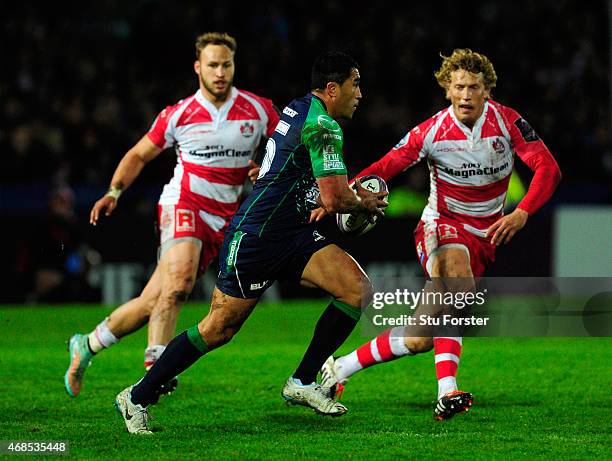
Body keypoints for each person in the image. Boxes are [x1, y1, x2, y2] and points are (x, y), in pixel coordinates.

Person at [114, 51, 388, 434]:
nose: (360, 93)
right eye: (355, 83)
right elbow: (336, 200)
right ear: (332, 88)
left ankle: (303, 381)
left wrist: (286, 179)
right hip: (256, 238)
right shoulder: (324, 127)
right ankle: (136, 396)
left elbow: (296, 167)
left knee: (355, 289)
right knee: (218, 329)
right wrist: (364, 202)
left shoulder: (299, 107)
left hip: (290, 232)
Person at [319, 49, 562, 420]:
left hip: (485, 237)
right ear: (447, 89)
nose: (466, 95)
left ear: (487, 91)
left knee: (421, 337)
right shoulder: (432, 131)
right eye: (459, 86)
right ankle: (446, 392)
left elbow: (548, 168)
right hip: (440, 226)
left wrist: (523, 212)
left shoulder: (508, 123)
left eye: (474, 87)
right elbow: (386, 165)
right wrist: (338, 195)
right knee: (458, 285)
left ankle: (339, 369)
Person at [64, 32, 279, 398]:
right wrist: (114, 191)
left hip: (224, 218)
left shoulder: (259, 110)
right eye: (212, 65)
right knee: (179, 284)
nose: (220, 72)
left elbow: (284, 149)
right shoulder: (179, 114)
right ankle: (157, 364)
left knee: (153, 302)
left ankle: (87, 344)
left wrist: (265, 167)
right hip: (183, 203)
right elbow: (138, 155)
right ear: (198, 68)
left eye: (226, 64)